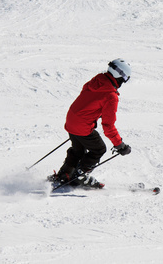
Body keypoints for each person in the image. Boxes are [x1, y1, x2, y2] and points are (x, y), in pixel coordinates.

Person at [48, 59, 132, 188]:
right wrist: (120, 145)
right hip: (82, 125)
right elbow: (108, 126)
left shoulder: (96, 81)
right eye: (125, 78)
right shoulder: (111, 95)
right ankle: (80, 176)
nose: (123, 82)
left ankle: (65, 174)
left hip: (71, 120)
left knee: (78, 151)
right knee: (99, 149)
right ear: (119, 75)